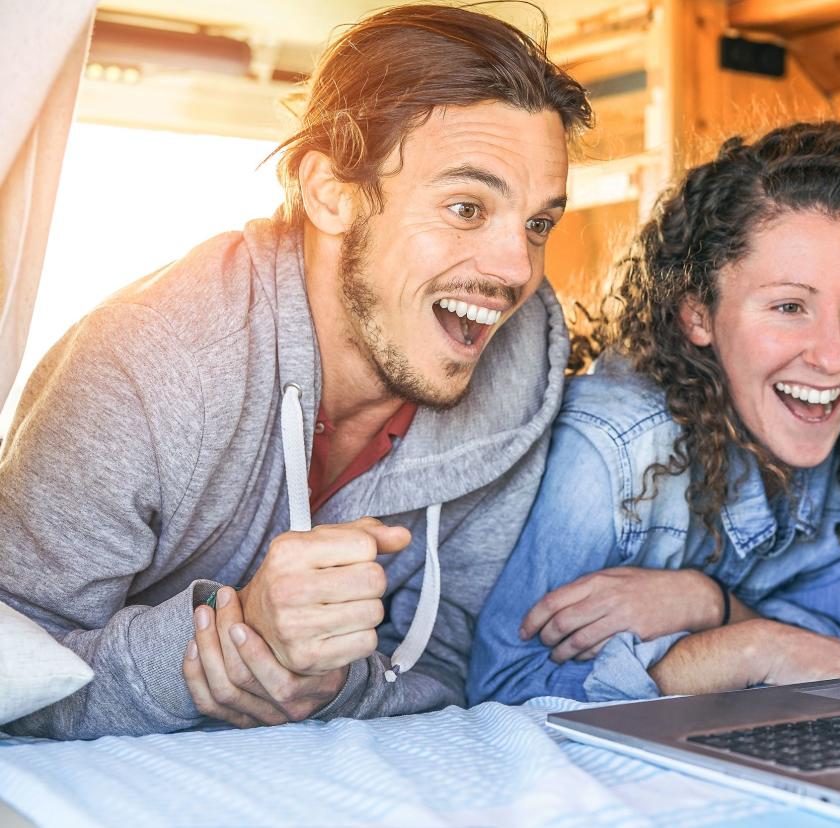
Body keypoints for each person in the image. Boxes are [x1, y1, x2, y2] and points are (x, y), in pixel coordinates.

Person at [0, 4, 592, 739]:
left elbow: (449, 664)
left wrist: (334, 688)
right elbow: (12, 672)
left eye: (538, 223)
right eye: (468, 208)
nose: (516, 269)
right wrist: (223, 645)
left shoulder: (518, 379)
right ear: (331, 192)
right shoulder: (147, 365)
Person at [468, 121, 840, 704]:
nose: (833, 356)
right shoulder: (612, 449)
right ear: (698, 316)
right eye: (788, 306)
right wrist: (751, 650)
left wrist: (711, 605)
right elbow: (504, 692)